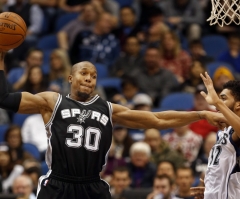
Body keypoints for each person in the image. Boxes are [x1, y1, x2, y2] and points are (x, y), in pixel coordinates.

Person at [0, 51, 226, 199]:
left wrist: (200, 114)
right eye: (84, 73)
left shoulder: (108, 109)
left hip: (92, 186)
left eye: (94, 75)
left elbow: (157, 119)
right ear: (70, 78)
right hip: (58, 184)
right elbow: (5, 98)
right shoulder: (52, 101)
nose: (89, 78)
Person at [191, 72, 240, 199]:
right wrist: (211, 191)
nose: (217, 103)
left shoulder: (236, 133)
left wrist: (217, 102)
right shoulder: (223, 133)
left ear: (238, 104)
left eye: (223, 98)